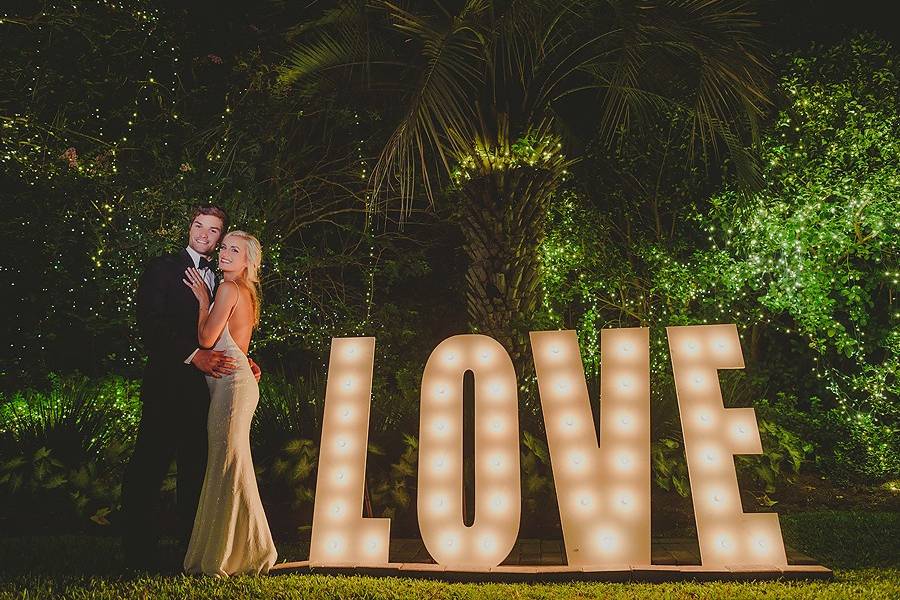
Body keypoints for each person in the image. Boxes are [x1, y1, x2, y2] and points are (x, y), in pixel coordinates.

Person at [121, 206, 260, 571]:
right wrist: (192, 356)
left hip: (208, 392)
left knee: (196, 471)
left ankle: (191, 550)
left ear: (219, 238)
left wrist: (243, 360)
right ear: (190, 228)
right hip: (169, 385)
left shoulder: (221, 277)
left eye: (214, 231)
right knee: (149, 467)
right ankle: (138, 553)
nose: (204, 234)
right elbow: (150, 325)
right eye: (199, 226)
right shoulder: (162, 268)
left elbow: (227, 329)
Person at [182, 230, 277, 576]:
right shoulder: (247, 292)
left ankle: (233, 555)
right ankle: (244, 550)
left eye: (233, 250)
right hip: (236, 384)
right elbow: (239, 344)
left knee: (227, 466)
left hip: (232, 389)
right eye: (224, 247)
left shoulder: (226, 288)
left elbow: (207, 339)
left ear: (247, 261)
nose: (224, 253)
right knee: (230, 466)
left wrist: (204, 304)